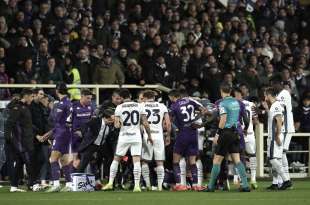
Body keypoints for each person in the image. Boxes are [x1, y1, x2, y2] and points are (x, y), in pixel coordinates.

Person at [102, 89, 152, 192]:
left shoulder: (119, 107)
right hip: (136, 136)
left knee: (116, 159)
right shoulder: (139, 106)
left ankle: (110, 183)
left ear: (121, 97)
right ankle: (137, 186)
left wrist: (117, 121)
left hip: (124, 136)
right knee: (136, 160)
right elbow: (145, 123)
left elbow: (116, 125)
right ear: (130, 95)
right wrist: (149, 135)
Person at [204, 83, 250, 192]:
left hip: (226, 133)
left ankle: (210, 187)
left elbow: (223, 119)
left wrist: (217, 134)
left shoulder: (223, 103)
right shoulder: (237, 102)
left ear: (221, 91)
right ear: (230, 91)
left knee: (216, 160)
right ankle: (245, 186)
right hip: (235, 133)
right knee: (237, 160)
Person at [168, 89, 206, 191]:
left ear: (172, 97)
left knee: (176, 160)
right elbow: (203, 110)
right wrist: (194, 120)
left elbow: (169, 120)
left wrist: (170, 131)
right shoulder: (190, 100)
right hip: (193, 133)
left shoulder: (174, 106)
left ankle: (180, 184)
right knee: (192, 161)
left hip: (182, 133)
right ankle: (195, 185)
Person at [4, 89, 35, 192]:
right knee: (29, 161)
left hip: (26, 139)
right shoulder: (18, 107)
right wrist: (8, 137)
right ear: (26, 96)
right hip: (21, 141)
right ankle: (32, 184)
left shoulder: (25, 107)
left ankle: (14, 186)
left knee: (19, 163)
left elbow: (28, 125)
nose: (32, 98)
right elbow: (10, 122)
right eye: (31, 96)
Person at [140, 90, 171, 191]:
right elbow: (168, 123)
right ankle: (159, 186)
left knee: (144, 161)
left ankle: (148, 185)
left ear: (144, 97)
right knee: (160, 162)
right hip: (159, 135)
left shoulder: (141, 106)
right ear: (154, 97)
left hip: (147, 135)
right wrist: (168, 136)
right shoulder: (162, 106)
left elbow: (142, 122)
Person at [46, 83, 73, 192]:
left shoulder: (61, 104)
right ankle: (69, 184)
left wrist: (52, 109)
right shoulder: (70, 103)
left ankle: (56, 184)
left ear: (57, 91)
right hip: (68, 133)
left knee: (53, 159)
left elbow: (56, 120)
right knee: (64, 160)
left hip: (61, 133)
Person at [264, 87, 292, 190]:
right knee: (276, 160)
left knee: (272, 159)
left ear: (269, 95)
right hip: (277, 135)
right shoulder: (276, 105)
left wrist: (276, 136)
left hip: (275, 136)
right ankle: (275, 183)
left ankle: (286, 180)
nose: (264, 97)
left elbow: (279, 120)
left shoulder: (275, 105)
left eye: (265, 94)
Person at [77, 109, 115, 182]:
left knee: (110, 159)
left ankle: (108, 179)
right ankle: (77, 182)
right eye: (110, 120)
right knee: (84, 163)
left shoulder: (111, 125)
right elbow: (84, 125)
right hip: (92, 145)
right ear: (104, 118)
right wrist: (85, 136)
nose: (111, 122)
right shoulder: (96, 121)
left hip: (102, 146)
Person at [234, 88, 259, 189]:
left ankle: (240, 178)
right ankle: (253, 179)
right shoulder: (251, 104)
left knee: (238, 156)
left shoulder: (233, 105)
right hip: (249, 133)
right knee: (252, 155)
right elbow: (256, 120)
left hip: (239, 133)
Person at [272, 77, 295, 187]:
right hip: (284, 127)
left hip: (286, 127)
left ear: (280, 83)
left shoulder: (284, 93)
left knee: (280, 153)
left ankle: (283, 181)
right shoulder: (280, 94)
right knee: (281, 153)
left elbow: (278, 109)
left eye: (274, 84)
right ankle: (280, 181)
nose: (273, 86)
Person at [71, 89, 94, 169]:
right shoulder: (73, 106)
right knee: (75, 158)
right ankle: (73, 177)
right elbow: (68, 121)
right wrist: (75, 131)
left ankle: (85, 177)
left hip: (86, 137)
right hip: (75, 137)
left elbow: (91, 121)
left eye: (90, 98)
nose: (89, 100)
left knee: (87, 158)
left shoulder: (90, 107)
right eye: (88, 98)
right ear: (82, 96)